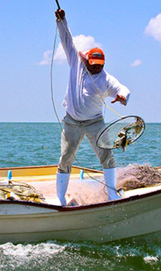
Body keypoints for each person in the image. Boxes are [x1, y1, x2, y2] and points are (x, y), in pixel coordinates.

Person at [54, 9, 130, 205]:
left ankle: (112, 194)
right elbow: (67, 40)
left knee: (107, 156)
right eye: (93, 64)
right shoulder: (76, 64)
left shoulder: (106, 78)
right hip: (72, 121)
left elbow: (122, 88)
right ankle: (60, 198)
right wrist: (61, 20)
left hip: (95, 123)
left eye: (100, 65)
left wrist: (123, 96)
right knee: (66, 158)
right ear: (86, 59)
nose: (96, 67)